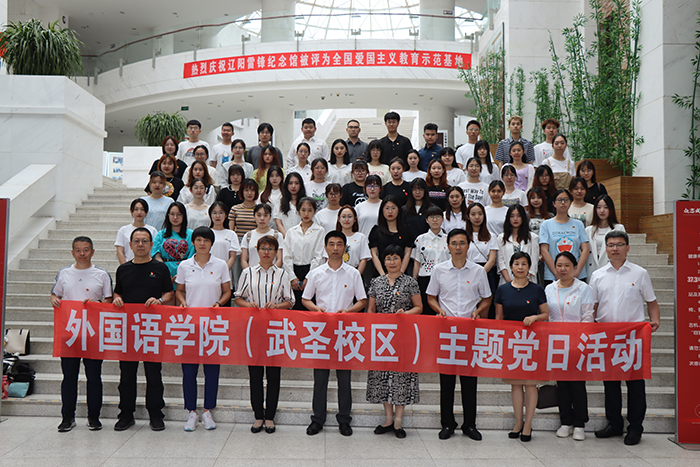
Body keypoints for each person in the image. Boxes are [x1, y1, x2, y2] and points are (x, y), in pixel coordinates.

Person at [590, 231, 660, 446]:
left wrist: (655, 320)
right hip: (607, 336)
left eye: (620, 244)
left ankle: (635, 428)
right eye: (611, 245)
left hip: (632, 338)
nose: (615, 248)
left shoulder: (640, 273)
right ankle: (614, 424)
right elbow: (593, 305)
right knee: (610, 383)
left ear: (627, 248)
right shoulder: (598, 275)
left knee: (635, 384)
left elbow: (651, 301)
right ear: (605, 249)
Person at [426, 228, 492, 441]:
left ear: (468, 246)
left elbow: (487, 298)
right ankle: (447, 423)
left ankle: (470, 425)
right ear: (448, 246)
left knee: (469, 381)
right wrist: (439, 310)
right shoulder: (439, 270)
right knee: (446, 381)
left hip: (469, 332)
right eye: (454, 243)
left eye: (462, 243)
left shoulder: (478, 271)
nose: (458, 247)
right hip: (446, 333)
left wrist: (478, 311)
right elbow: (431, 297)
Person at [302, 231, 368, 437]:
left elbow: (362, 301)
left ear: (345, 248)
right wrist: (316, 310)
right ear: (325, 248)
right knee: (320, 379)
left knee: (344, 379)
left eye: (339, 244)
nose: (335, 248)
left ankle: (344, 420)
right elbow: (305, 299)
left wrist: (349, 311)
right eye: (331, 244)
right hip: (321, 332)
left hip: (344, 332)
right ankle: (317, 419)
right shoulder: (316, 273)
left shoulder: (353, 273)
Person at [113, 227, 174, 431]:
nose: (140, 244)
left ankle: (155, 414)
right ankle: (126, 414)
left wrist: (159, 301)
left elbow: (169, 294)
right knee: (126, 375)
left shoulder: (160, 268)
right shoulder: (123, 269)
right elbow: (117, 293)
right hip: (128, 329)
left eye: (145, 241)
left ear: (151, 244)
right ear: (130, 245)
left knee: (154, 374)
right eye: (137, 241)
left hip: (152, 329)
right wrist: (117, 299)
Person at [50, 236, 113, 432]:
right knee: (69, 377)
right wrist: (53, 299)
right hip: (70, 333)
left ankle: (94, 417)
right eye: (78, 250)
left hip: (93, 333)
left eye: (86, 250)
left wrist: (98, 304)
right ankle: (67, 417)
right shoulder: (64, 273)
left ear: (92, 252)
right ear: (72, 253)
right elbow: (55, 294)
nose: (82, 254)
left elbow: (109, 301)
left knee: (94, 377)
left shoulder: (102, 274)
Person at [234, 235, 294, 434]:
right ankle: (258, 415)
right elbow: (238, 298)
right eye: (263, 248)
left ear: (276, 252)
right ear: (257, 251)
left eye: (270, 249)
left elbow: (290, 301)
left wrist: (276, 306)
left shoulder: (282, 274)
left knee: (274, 375)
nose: (266, 252)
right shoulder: (248, 273)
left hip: (275, 330)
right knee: (255, 374)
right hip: (253, 330)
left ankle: (270, 417)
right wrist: (248, 305)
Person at [175, 226, 231, 431]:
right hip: (189, 325)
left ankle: (208, 410)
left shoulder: (221, 265)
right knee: (189, 371)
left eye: (206, 240)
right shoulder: (184, 265)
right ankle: (191, 411)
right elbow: (179, 290)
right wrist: (182, 301)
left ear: (211, 244)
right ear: (193, 242)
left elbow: (227, 291)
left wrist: (219, 303)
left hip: (213, 325)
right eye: (198, 240)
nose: (202, 244)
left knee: (212, 370)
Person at [366, 244, 423, 439]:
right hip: (381, 338)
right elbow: (370, 310)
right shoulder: (376, 282)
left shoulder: (410, 282)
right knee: (383, 377)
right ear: (383, 261)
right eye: (388, 258)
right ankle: (388, 419)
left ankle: (398, 421)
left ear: (402, 260)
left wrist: (405, 314)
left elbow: (419, 307)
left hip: (403, 337)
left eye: (395, 258)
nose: (392, 262)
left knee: (401, 378)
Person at [495, 251, 549, 442]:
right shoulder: (503, 290)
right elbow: (499, 318)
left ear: (529, 267)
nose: (520, 267)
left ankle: (528, 425)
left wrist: (534, 317)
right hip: (511, 343)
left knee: (531, 385)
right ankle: (518, 422)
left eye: (524, 264)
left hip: (532, 342)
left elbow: (545, 314)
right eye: (516, 263)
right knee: (515, 384)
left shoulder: (537, 289)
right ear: (511, 267)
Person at [545, 251, 594, 441]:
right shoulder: (549, 288)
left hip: (578, 343)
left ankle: (580, 423)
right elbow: (547, 316)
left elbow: (588, 317)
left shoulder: (583, 288)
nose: (563, 269)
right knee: (562, 384)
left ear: (575, 268)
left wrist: (582, 341)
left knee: (577, 384)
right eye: (559, 265)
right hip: (556, 343)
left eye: (567, 265)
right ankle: (565, 421)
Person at [539, 189, 590, 286]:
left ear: (570, 202)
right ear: (553, 203)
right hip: (552, 276)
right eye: (559, 200)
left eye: (566, 200)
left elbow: (585, 250)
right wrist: (556, 273)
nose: (563, 203)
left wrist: (576, 272)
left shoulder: (578, 224)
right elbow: (544, 251)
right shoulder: (546, 224)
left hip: (577, 275)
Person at [283, 197, 325, 309]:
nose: (306, 214)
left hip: (312, 270)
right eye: (303, 210)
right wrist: (292, 277)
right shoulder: (291, 232)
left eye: (310, 210)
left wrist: (309, 277)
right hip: (294, 271)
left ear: (315, 211)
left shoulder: (320, 231)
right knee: (294, 306)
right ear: (298, 211)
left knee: (310, 306)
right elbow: (286, 256)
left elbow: (318, 256)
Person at [412, 205, 449, 315]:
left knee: (444, 309)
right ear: (427, 220)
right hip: (425, 277)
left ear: (442, 219)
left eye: (438, 217)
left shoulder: (449, 239)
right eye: (431, 217)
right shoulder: (420, 239)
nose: (435, 220)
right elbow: (417, 262)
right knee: (427, 311)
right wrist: (414, 281)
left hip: (445, 278)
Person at [466, 202, 499, 317]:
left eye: (480, 214)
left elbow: (492, 260)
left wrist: (480, 273)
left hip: (486, 272)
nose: (477, 217)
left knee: (485, 306)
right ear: (468, 216)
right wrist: (472, 273)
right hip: (467, 271)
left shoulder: (491, 236)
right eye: (473, 214)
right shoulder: (464, 235)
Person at [152, 202, 195, 287]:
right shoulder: (161, 234)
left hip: (186, 272)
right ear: (168, 216)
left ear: (184, 216)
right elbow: (156, 254)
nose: (175, 217)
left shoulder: (191, 234)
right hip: (164, 272)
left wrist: (182, 273)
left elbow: (192, 256)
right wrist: (165, 272)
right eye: (172, 214)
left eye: (179, 214)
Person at [369, 196, 413, 277]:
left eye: (393, 208)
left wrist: (400, 274)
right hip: (380, 274)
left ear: (399, 210)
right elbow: (374, 255)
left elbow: (407, 254)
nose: (390, 211)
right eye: (387, 208)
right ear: (382, 210)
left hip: (401, 274)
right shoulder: (376, 231)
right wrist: (383, 276)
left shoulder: (406, 230)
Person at [497, 205, 539, 285]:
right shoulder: (501, 238)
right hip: (506, 281)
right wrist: (509, 282)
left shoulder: (533, 237)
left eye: (518, 216)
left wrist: (524, 280)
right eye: (512, 216)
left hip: (528, 282)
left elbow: (534, 262)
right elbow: (501, 262)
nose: (515, 219)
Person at [585, 195, 625, 276]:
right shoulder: (588, 230)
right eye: (599, 207)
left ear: (611, 209)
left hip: (612, 270)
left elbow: (623, 252)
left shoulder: (619, 228)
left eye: (606, 207)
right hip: (592, 270)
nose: (602, 211)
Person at [208, 201, 240, 291]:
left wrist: (222, 271)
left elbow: (232, 257)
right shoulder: (207, 233)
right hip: (207, 274)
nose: (217, 216)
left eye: (221, 213)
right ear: (210, 215)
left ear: (226, 215)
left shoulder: (231, 234)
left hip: (225, 276)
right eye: (214, 213)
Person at [240, 203, 284, 269]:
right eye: (259, 215)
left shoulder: (277, 235)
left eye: (265, 215)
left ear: (270, 217)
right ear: (254, 217)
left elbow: (279, 260)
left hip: (272, 273)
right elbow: (243, 260)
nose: (262, 218)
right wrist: (250, 273)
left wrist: (271, 272)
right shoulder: (248, 236)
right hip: (252, 273)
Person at [116, 199, 158, 264]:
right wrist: (125, 267)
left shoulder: (153, 230)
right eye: (136, 209)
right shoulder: (123, 230)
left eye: (142, 209)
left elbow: (155, 251)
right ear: (131, 211)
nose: (139, 212)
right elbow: (120, 252)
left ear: (146, 212)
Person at [335, 205, 372, 274]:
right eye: (343, 217)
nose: (346, 220)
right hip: (336, 272)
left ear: (355, 219)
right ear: (338, 219)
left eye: (350, 217)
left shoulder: (361, 237)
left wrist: (356, 275)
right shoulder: (333, 236)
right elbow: (328, 257)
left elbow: (364, 259)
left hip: (354, 272)